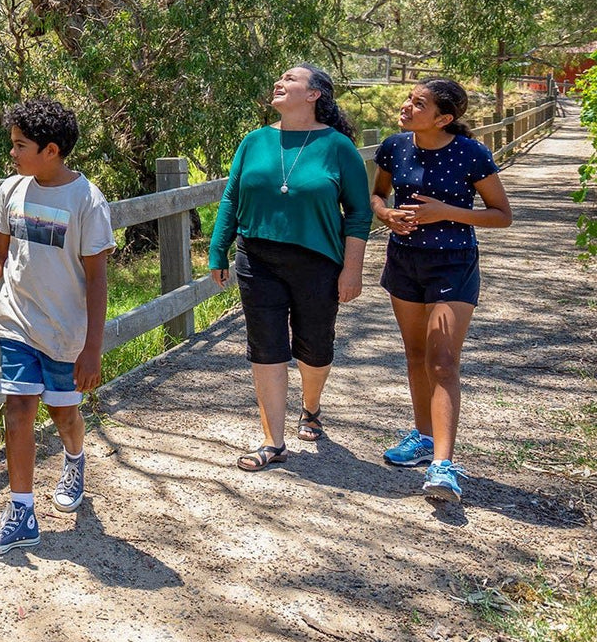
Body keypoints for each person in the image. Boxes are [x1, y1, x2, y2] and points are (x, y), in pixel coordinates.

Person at [0, 98, 115, 554]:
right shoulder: (11, 191)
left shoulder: (86, 200)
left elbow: (98, 278)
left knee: (64, 415)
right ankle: (21, 513)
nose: (12, 153)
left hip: (66, 333)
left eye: (20, 145)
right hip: (17, 323)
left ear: (51, 150)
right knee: (19, 411)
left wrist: (92, 349)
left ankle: (74, 458)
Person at [209, 65, 372, 471]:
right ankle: (273, 441)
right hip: (256, 256)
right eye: (277, 78)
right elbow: (231, 198)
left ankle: (311, 407)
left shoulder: (338, 147)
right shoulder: (255, 140)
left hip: (317, 261)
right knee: (266, 346)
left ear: (315, 95)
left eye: (290, 79)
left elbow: (358, 213)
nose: (279, 83)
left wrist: (352, 270)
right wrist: (218, 248)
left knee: (314, 348)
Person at [372, 78, 511, 503]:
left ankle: (444, 467)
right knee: (416, 356)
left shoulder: (470, 154)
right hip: (404, 262)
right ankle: (424, 437)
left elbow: (502, 215)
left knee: (444, 362)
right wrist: (387, 216)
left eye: (419, 103)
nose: (407, 106)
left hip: (453, 264)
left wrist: (443, 213)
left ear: (444, 118)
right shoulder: (394, 146)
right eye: (410, 99)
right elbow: (376, 195)